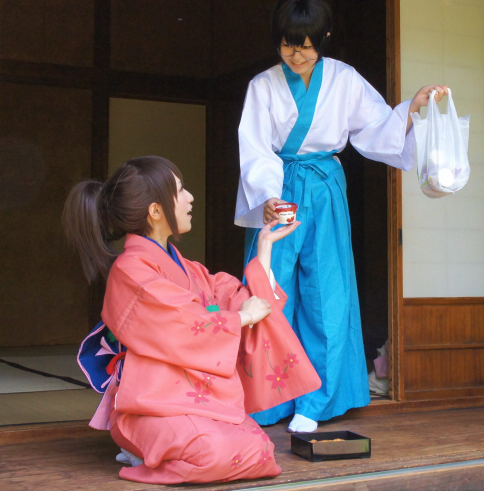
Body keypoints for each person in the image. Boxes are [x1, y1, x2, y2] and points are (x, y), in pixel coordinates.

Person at [236, 0, 448, 433]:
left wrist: (412, 108)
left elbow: (375, 127)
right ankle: (266, 400)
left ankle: (314, 401)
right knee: (270, 288)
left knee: (325, 291)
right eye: (288, 45)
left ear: (324, 39)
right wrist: (268, 195)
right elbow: (255, 146)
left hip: (326, 189)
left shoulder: (345, 79)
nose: (297, 54)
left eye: (307, 45)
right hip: (280, 189)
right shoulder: (262, 86)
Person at [64, 156, 321, 485]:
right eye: (180, 190)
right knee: (211, 454)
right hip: (149, 403)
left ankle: (160, 451)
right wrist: (240, 317)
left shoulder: (187, 268)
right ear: (156, 211)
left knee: (259, 450)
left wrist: (265, 250)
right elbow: (183, 321)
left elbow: (231, 293)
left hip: (191, 397)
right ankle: (142, 454)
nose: (190, 198)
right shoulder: (130, 269)